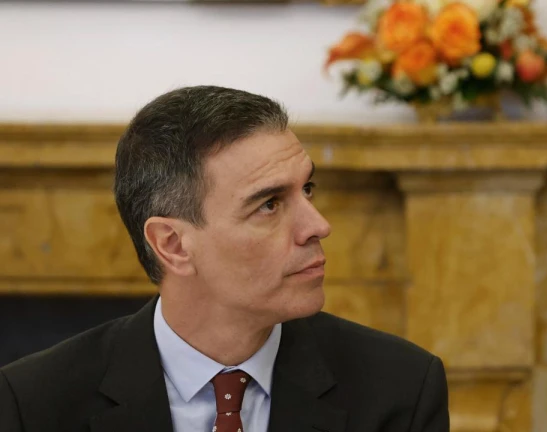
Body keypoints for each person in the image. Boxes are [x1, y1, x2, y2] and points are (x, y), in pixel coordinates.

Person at [0, 86, 449, 432]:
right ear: (173, 245)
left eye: (307, 189)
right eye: (269, 204)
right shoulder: (34, 402)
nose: (318, 226)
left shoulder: (400, 387)